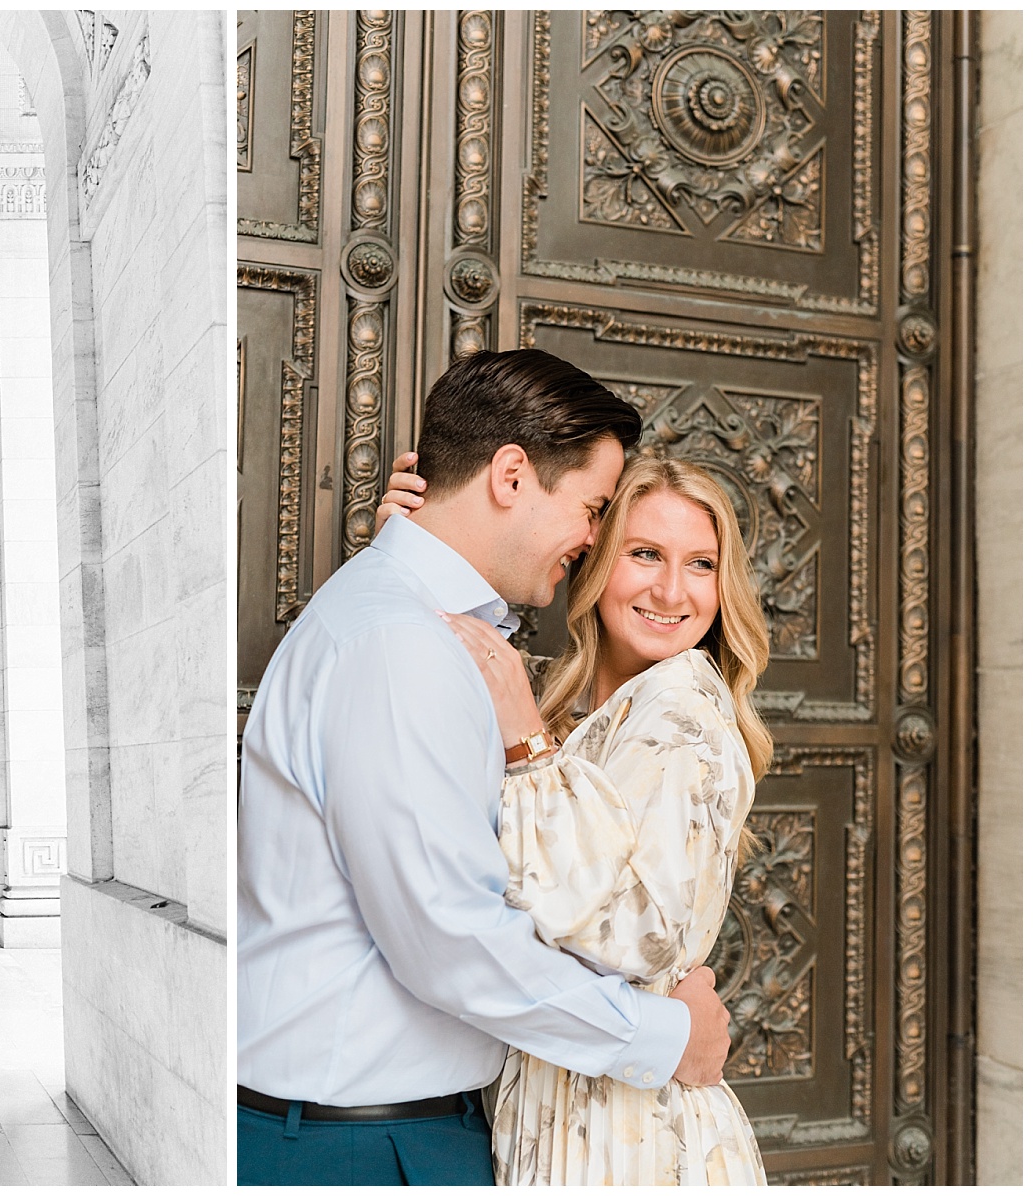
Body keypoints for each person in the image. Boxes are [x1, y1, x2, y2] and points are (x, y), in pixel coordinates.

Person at [237, 349, 734, 1186]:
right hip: (361, 1146)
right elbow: (448, 935)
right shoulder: (401, 641)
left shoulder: (418, 626)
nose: (589, 538)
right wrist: (665, 1037)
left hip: (394, 1131)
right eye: (592, 510)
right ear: (510, 474)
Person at [382, 453, 770, 1183]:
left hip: (629, 1136)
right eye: (646, 554)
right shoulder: (566, 707)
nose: (669, 589)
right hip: (561, 1102)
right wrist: (415, 544)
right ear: (595, 563)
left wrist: (529, 751)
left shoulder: (683, 713)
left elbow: (635, 939)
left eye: (700, 564)